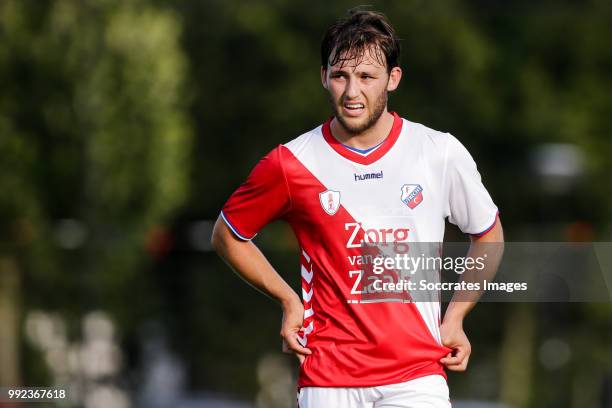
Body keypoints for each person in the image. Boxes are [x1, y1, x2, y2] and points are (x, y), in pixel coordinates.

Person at [211, 9, 504, 408]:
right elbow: (228, 235)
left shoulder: (439, 152)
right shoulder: (290, 163)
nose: (352, 92)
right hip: (328, 378)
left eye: (366, 77)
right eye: (340, 76)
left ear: (393, 79)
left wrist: (455, 317)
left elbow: (488, 234)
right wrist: (287, 299)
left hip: (417, 377)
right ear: (323, 77)